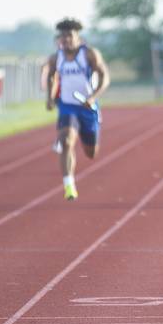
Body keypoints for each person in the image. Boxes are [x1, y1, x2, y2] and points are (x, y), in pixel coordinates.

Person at [45, 18, 110, 200]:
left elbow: (105, 77)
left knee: (91, 153)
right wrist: (50, 98)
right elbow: (51, 76)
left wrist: (93, 97)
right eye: (62, 36)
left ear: (78, 37)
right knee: (66, 141)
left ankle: (85, 138)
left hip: (87, 107)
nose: (65, 40)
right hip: (67, 106)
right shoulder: (56, 58)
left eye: (69, 36)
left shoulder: (89, 54)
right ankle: (69, 186)